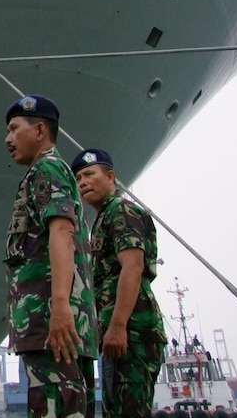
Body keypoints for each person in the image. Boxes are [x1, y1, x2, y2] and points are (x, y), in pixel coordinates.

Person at [3, 95, 98, 418]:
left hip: (49, 324)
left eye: (15, 129)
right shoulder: (51, 170)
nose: (8, 139)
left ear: (40, 130)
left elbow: (61, 233)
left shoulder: (46, 169)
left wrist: (60, 307)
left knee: (55, 408)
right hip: (53, 323)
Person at [71, 148, 167, 418]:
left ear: (111, 177)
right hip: (120, 333)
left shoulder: (121, 211)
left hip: (133, 331)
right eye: (78, 179)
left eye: (90, 174)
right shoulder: (103, 218)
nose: (83, 183)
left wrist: (117, 326)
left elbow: (133, 267)